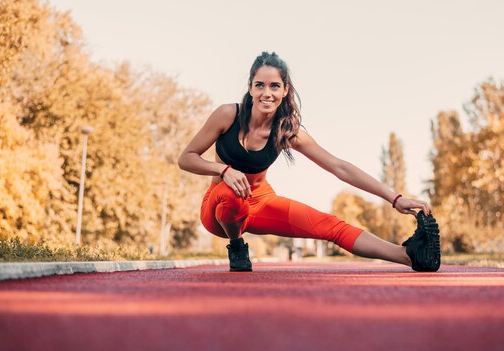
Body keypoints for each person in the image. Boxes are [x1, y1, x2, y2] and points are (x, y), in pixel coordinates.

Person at [178, 52, 440, 272]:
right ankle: (237, 246)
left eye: (274, 86)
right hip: (217, 208)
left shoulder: (288, 132)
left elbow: (339, 166)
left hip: (261, 203)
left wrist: (395, 198)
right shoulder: (227, 115)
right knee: (231, 193)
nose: (266, 93)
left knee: (331, 226)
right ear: (250, 87)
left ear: (285, 90)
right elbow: (186, 159)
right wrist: (222, 170)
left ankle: (409, 256)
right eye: (260, 85)